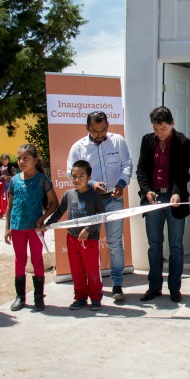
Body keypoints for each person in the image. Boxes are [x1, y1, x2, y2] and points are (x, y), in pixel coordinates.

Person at [67, 111, 132, 301]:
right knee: (87, 244)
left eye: (103, 130)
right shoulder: (78, 148)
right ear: (87, 128)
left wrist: (121, 183)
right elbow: (71, 174)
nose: (100, 134)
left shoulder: (118, 141)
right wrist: (91, 184)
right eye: (95, 131)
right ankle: (90, 286)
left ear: (108, 125)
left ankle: (117, 285)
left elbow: (127, 165)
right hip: (89, 203)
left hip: (114, 199)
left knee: (114, 243)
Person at [136, 106, 190, 303]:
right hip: (153, 197)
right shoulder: (147, 140)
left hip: (174, 197)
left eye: (163, 129)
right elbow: (141, 170)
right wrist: (146, 191)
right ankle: (154, 287)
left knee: (176, 246)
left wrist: (177, 193)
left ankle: (174, 288)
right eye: (156, 129)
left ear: (172, 124)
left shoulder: (183, 142)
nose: (159, 133)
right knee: (154, 245)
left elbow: (183, 173)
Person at [44, 160, 105, 311]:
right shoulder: (68, 194)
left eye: (81, 176)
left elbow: (101, 215)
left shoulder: (95, 196)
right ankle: (80, 298)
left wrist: (88, 229)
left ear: (89, 178)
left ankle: (96, 298)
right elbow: (59, 211)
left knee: (92, 270)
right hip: (72, 239)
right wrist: (48, 224)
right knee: (76, 271)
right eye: (74, 176)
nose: (77, 179)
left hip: (89, 240)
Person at [5, 143, 58, 312]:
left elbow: (54, 202)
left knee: (37, 260)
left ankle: (39, 297)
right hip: (17, 227)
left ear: (35, 160)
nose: (21, 161)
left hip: (35, 229)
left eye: (26, 158)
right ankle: (20, 297)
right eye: (19, 158)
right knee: (19, 260)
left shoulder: (42, 180)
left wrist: (42, 218)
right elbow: (9, 205)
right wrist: (7, 227)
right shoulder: (14, 180)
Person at [0, 154, 14, 219]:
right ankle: (0, 213)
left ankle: (9, 213)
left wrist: (7, 177)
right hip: (2, 186)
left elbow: (13, 176)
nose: (4, 161)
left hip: (9, 186)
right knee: (0, 199)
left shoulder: (11, 168)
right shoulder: (1, 168)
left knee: (9, 199)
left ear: (8, 160)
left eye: (6, 159)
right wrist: (1, 177)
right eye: (3, 159)